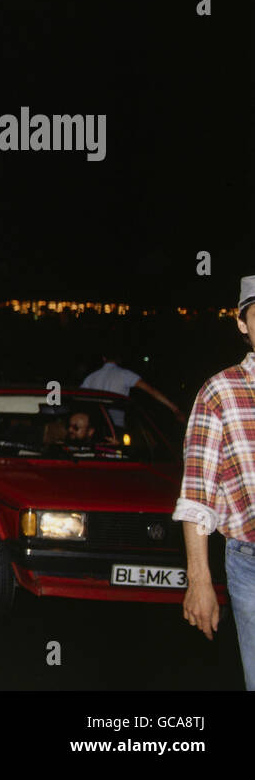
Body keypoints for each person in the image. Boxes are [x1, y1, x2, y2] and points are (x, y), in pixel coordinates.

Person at [175, 275, 255, 688]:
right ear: (242, 323)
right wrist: (199, 579)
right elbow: (197, 495)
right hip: (249, 562)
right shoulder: (219, 392)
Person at [81, 351, 185, 422]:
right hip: (116, 428)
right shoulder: (125, 375)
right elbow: (151, 390)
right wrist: (175, 409)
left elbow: (79, 398)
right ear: (119, 359)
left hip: (93, 427)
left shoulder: (91, 377)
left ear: (104, 358)